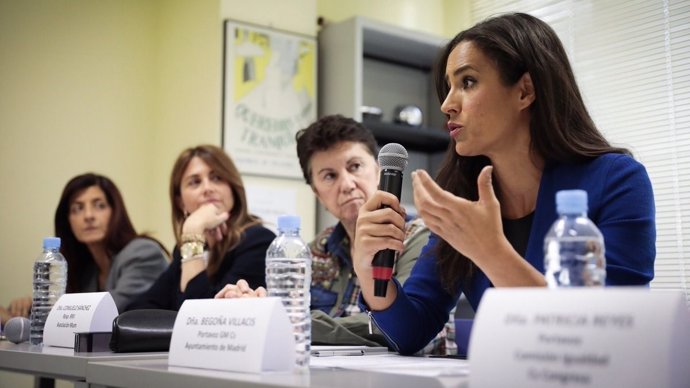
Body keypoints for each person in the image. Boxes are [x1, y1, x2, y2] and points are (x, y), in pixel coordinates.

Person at [352, 12, 656, 355]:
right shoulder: (462, 195)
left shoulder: (618, 180)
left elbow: (614, 333)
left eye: (467, 82)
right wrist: (366, 268)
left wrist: (490, 251)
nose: (447, 104)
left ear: (524, 91)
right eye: (448, 87)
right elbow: (412, 331)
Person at [216, 115, 455, 355]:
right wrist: (256, 308)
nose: (347, 184)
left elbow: (392, 328)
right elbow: (287, 313)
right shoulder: (313, 250)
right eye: (330, 176)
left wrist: (288, 321)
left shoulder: (420, 238)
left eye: (355, 167)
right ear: (317, 193)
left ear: (378, 170)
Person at [0, 173, 169, 321]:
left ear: (115, 212)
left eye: (99, 205)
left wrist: (38, 313)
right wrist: (23, 312)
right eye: (77, 208)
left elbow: (106, 312)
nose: (88, 216)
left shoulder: (143, 253)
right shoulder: (87, 270)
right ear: (68, 221)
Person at [127, 145, 275, 311]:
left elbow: (200, 317)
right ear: (180, 201)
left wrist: (192, 233)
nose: (207, 188)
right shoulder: (183, 250)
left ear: (233, 188)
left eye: (217, 178)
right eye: (195, 182)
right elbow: (137, 310)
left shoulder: (259, 241)